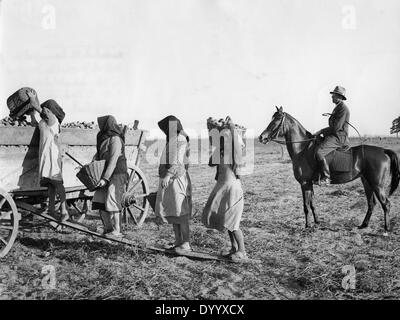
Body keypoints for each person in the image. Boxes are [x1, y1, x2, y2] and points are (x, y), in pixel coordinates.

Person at [202, 117, 247, 262]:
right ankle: (234, 248)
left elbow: (235, 143)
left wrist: (232, 127)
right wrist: (217, 148)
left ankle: (242, 251)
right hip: (222, 188)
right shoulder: (221, 153)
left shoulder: (235, 156)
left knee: (234, 224)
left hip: (232, 190)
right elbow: (210, 163)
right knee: (227, 221)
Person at [26, 89, 69, 222]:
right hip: (45, 153)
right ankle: (51, 208)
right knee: (50, 183)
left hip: (53, 154)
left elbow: (41, 111)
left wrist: (33, 100)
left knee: (57, 181)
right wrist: (32, 114)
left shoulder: (54, 120)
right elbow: (36, 123)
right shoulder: (44, 122)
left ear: (50, 111)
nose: (44, 111)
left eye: (46, 109)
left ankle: (64, 209)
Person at [155, 115, 192, 254]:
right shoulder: (173, 139)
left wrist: (168, 175)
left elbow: (177, 161)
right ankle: (178, 241)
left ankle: (186, 243)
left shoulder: (180, 139)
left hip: (177, 179)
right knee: (173, 212)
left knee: (180, 213)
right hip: (170, 179)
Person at [92, 115, 128, 238]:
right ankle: (108, 228)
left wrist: (105, 178)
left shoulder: (115, 139)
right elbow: (100, 154)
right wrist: (93, 162)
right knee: (99, 199)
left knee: (113, 198)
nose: (100, 127)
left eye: (101, 124)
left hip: (117, 172)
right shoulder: (103, 138)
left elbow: (113, 160)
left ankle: (117, 230)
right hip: (105, 172)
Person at [314, 86, 350, 185]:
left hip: (339, 137)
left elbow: (336, 128)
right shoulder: (338, 107)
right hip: (335, 135)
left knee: (319, 152)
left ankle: (326, 178)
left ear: (339, 96)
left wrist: (321, 131)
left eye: (333, 95)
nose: (332, 97)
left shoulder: (343, 108)